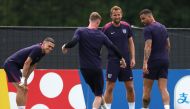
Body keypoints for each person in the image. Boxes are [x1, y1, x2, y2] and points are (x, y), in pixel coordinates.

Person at [62, 12, 126, 109]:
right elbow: (112, 47)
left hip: (84, 69)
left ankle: (105, 108)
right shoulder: (101, 35)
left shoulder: (80, 31)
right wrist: (122, 58)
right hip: (96, 69)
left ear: (89, 20)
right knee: (98, 95)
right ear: (98, 22)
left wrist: (65, 46)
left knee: (98, 93)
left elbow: (74, 41)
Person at [3, 37, 55, 109]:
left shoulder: (43, 52)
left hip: (16, 67)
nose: (50, 49)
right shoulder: (38, 49)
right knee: (21, 88)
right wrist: (23, 78)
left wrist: (26, 79)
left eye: (52, 48)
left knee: (25, 89)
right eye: (49, 46)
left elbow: (33, 65)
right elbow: (27, 63)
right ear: (43, 43)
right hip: (10, 65)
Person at [102, 6, 136, 109]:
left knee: (130, 87)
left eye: (118, 14)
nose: (117, 16)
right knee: (110, 88)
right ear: (111, 16)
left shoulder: (126, 26)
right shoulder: (106, 28)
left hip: (126, 61)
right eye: (114, 15)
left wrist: (133, 58)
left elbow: (131, 42)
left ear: (121, 15)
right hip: (113, 61)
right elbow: (100, 43)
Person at [139, 9, 170, 109]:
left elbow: (148, 46)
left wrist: (145, 63)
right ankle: (167, 107)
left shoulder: (148, 29)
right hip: (164, 60)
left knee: (146, 89)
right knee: (163, 88)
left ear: (149, 16)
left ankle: (145, 108)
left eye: (143, 18)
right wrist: (165, 57)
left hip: (152, 62)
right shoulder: (163, 27)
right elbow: (168, 45)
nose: (142, 21)